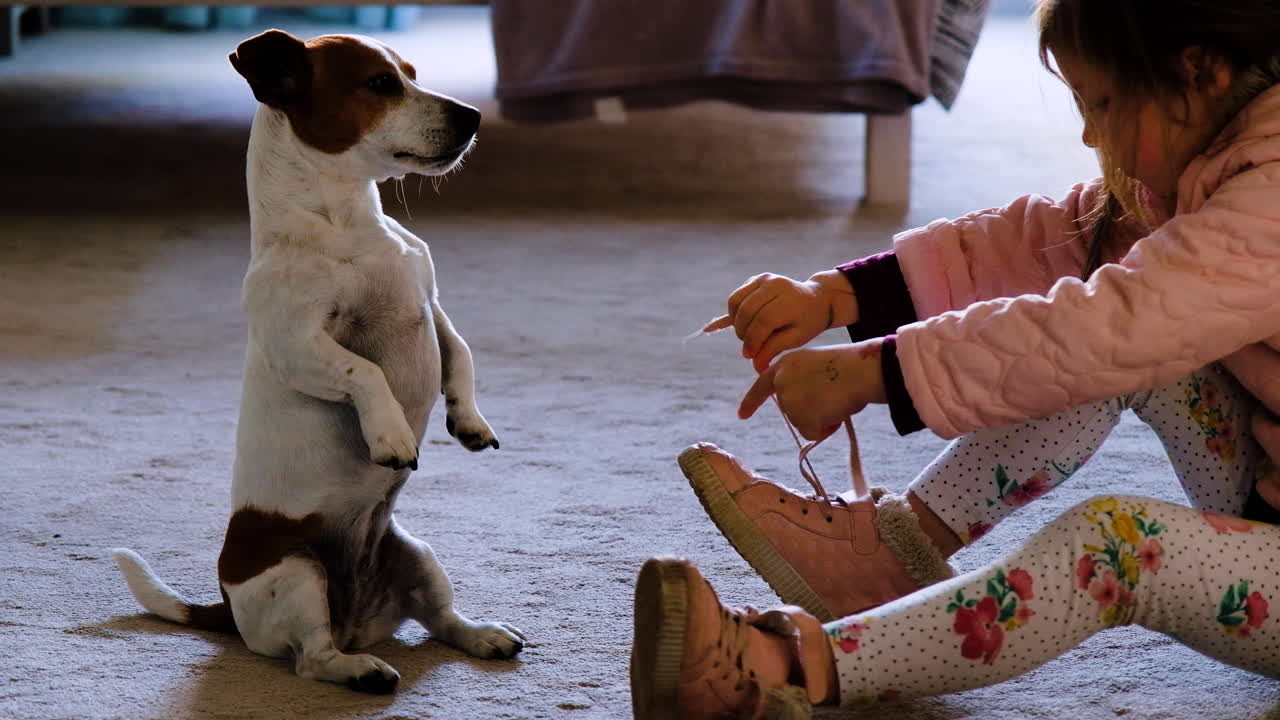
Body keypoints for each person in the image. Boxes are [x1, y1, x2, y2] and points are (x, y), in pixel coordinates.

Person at [628, 1, 1280, 716]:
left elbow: (1108, 328)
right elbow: (1055, 237)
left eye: (1102, 100)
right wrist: (837, 296)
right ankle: (881, 559)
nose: (1090, 131)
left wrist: (876, 372)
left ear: (1203, 72)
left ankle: (781, 672)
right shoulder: (1226, 150)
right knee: (1113, 323)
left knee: (1118, 544)